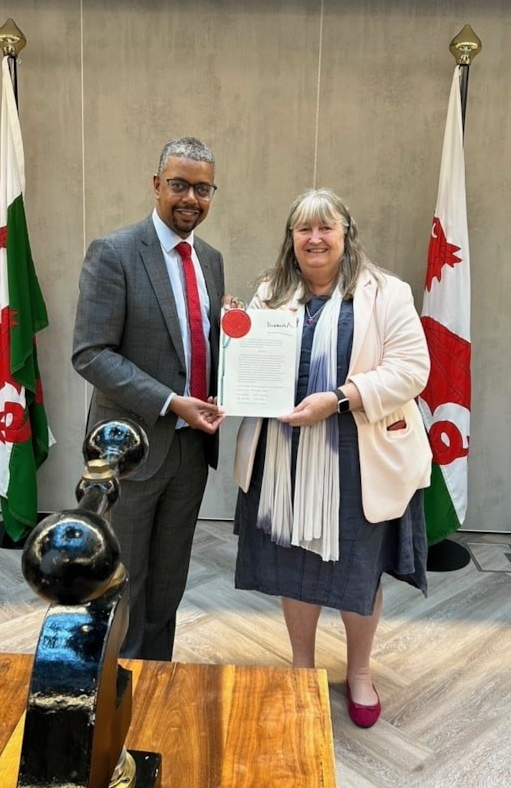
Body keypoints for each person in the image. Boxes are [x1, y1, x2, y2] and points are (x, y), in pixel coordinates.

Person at [233, 187, 432, 727]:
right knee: (295, 565)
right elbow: (248, 363)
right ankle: (301, 665)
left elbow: (413, 370)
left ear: (346, 235)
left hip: (358, 453)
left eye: (326, 228)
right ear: (291, 238)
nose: (315, 238)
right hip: (284, 451)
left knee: (358, 571)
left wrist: (340, 399)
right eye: (304, 229)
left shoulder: (387, 293)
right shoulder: (269, 294)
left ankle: (360, 671)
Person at [72, 137, 225, 660]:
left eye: (202, 188)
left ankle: (156, 681)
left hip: (190, 453)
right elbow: (91, 353)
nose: (190, 198)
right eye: (179, 184)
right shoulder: (114, 253)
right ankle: (117, 688)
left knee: (168, 584)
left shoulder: (211, 259)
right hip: (131, 451)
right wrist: (170, 401)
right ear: (156, 184)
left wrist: (243, 333)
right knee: (124, 583)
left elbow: (198, 346)